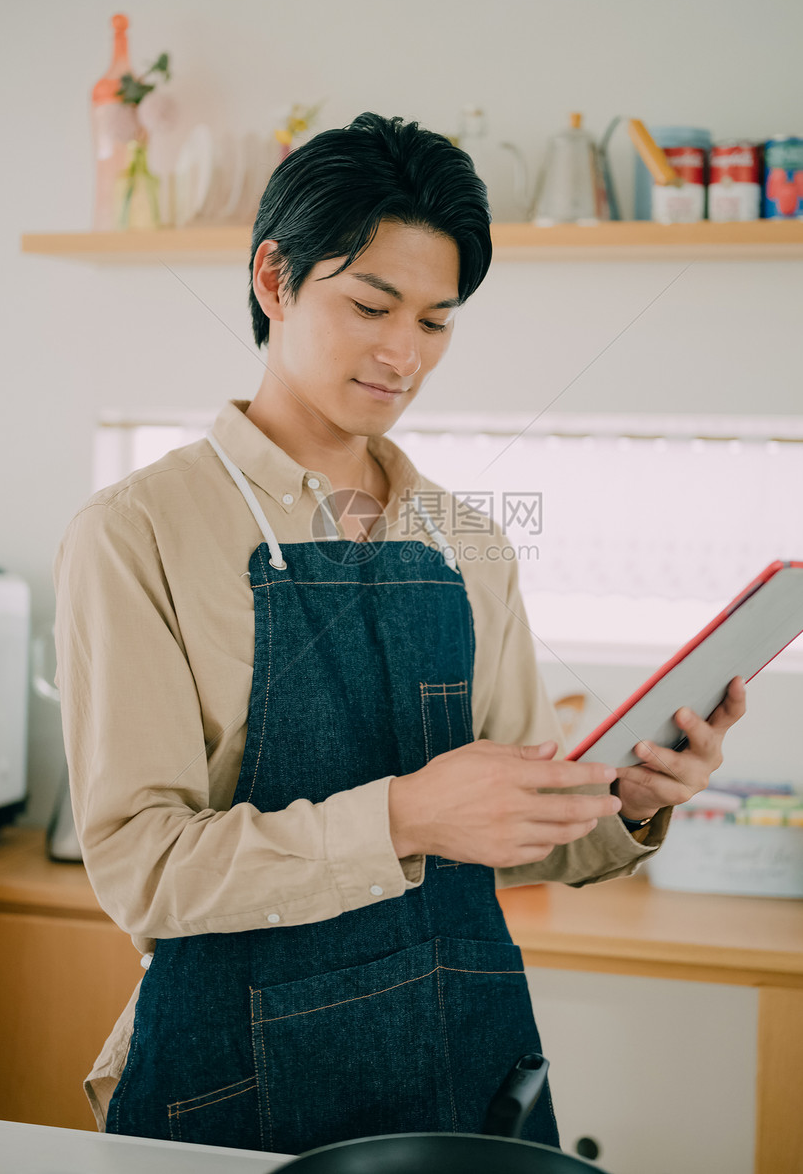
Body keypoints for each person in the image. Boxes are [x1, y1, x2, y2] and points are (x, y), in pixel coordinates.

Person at [53, 111, 746, 1156]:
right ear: (274, 280)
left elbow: (509, 834)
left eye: (435, 320)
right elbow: (143, 869)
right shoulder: (137, 532)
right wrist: (409, 815)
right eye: (371, 305)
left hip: (460, 1060)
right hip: (234, 1080)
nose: (402, 354)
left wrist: (627, 803)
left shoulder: (466, 541)